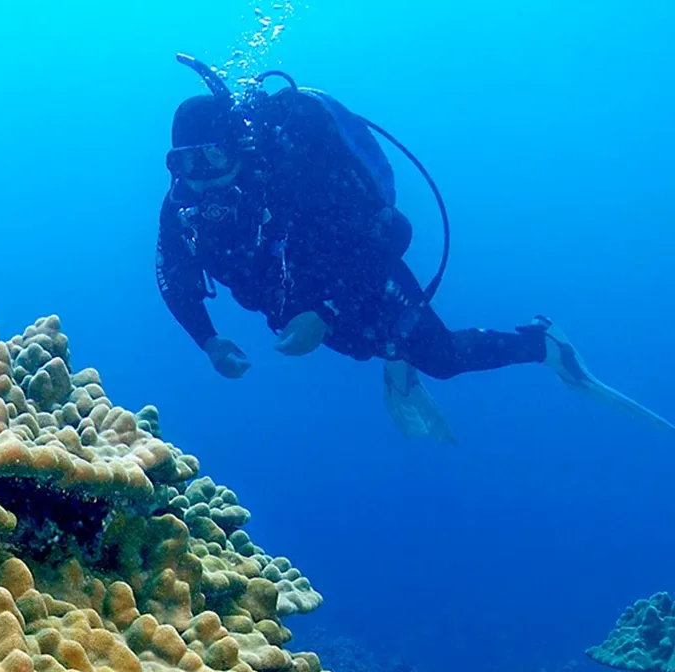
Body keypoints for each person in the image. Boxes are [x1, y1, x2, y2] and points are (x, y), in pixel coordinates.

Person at [156, 55, 672, 437]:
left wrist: (326, 310)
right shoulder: (184, 208)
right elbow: (172, 278)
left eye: (211, 159)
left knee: (442, 358)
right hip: (295, 300)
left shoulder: (295, 173)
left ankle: (546, 344)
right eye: (184, 163)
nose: (200, 179)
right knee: (364, 347)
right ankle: (391, 352)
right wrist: (209, 340)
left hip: (358, 271)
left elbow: (393, 233)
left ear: (239, 149)